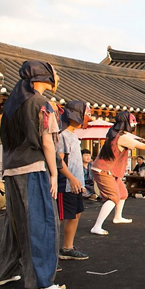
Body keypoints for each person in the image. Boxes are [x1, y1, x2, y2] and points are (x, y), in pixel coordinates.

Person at [0, 60, 66, 289]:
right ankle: (40, 282)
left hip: (11, 168)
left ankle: (5, 271)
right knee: (41, 222)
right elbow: (47, 141)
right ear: (44, 78)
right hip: (33, 168)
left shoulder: (12, 104)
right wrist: (54, 173)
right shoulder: (41, 103)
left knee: (15, 224)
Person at [90, 111, 145, 236]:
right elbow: (144, 147)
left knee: (123, 194)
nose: (134, 125)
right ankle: (97, 226)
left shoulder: (116, 134)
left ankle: (117, 217)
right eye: (132, 122)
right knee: (113, 197)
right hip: (104, 170)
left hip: (110, 170)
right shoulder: (122, 137)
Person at [56, 101, 92, 261]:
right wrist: (71, 178)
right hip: (66, 184)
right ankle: (52, 251)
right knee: (61, 217)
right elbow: (59, 160)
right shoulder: (62, 135)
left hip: (75, 184)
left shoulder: (73, 136)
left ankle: (67, 247)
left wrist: (80, 183)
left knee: (76, 215)